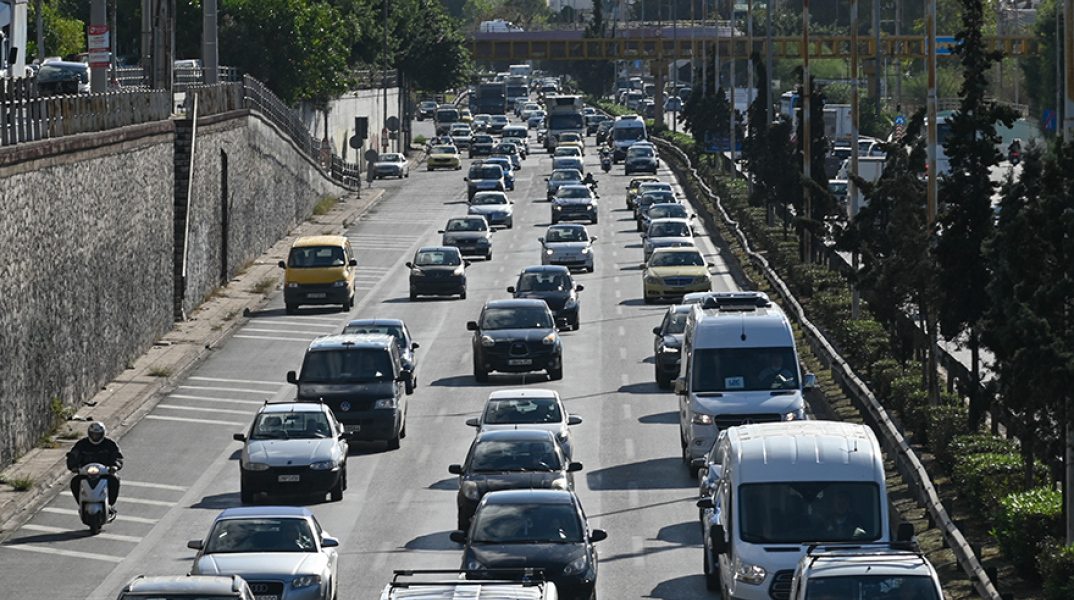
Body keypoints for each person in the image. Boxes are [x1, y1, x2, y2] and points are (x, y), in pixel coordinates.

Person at [66, 421, 123, 514]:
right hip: (85, 473)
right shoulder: (82, 444)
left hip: (104, 473)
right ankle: (81, 504)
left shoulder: (109, 444)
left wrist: (115, 465)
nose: (95, 437)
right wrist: (73, 466)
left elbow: (117, 456)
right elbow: (73, 455)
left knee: (114, 480)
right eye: (93, 434)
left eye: (97, 435)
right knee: (75, 482)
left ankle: (110, 504)